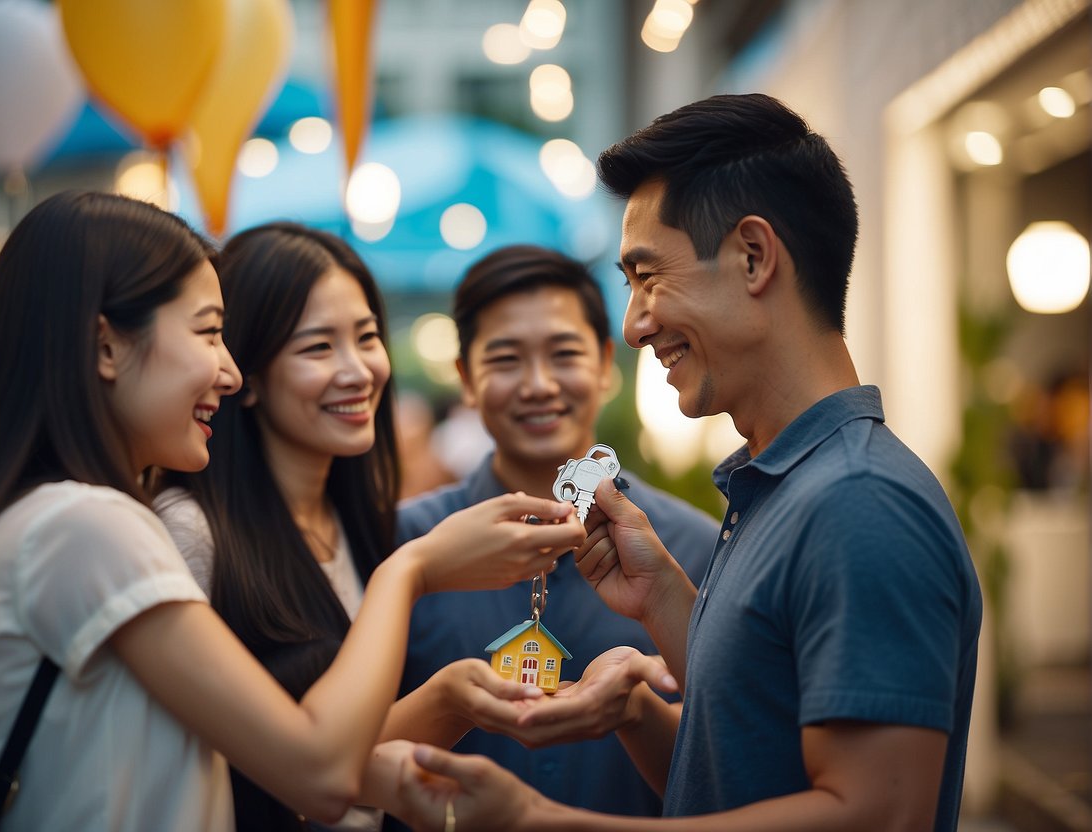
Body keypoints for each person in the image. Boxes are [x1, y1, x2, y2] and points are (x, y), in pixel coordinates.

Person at [0, 192, 583, 830]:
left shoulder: (46, 521)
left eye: (366, 337)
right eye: (209, 332)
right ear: (102, 345)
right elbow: (317, 770)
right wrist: (413, 568)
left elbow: (211, 757)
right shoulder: (88, 526)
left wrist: (419, 745)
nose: (229, 369)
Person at [394, 93, 984, 832]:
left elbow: (874, 814)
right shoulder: (781, 489)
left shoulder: (856, 501)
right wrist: (656, 634)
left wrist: (538, 821)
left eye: (648, 277)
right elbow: (745, 765)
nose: (636, 325)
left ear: (752, 256)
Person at [155, 223, 586, 831]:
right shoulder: (192, 536)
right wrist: (416, 572)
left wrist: (452, 698)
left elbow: (343, 762)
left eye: (366, 337)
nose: (358, 371)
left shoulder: (361, 524)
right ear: (243, 376)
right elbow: (275, 772)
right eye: (317, 347)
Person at [387, 244, 718, 823]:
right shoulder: (405, 545)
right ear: (466, 378)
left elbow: (728, 761)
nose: (538, 385)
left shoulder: (692, 549)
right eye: (506, 359)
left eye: (564, 353)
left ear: (603, 365)